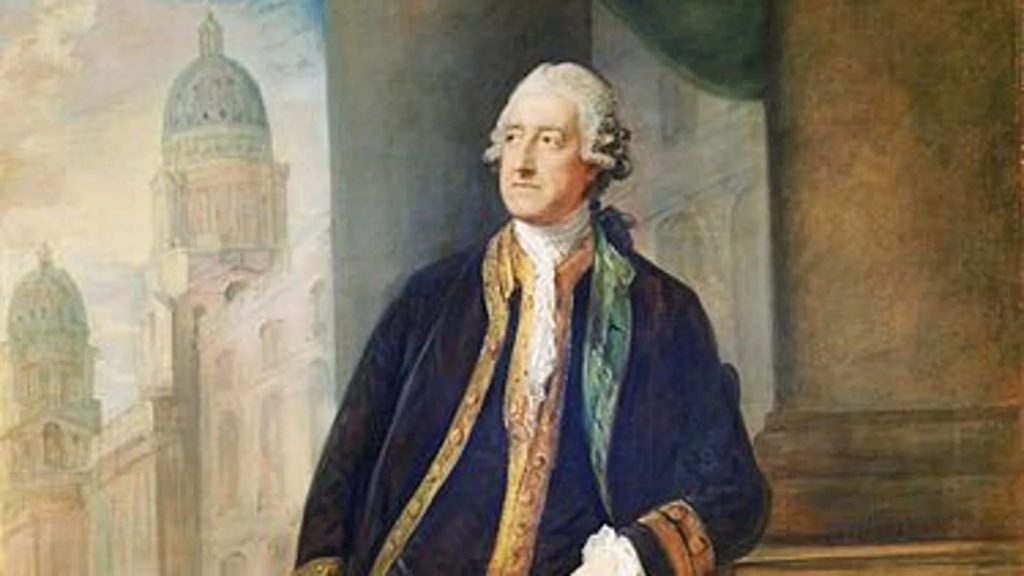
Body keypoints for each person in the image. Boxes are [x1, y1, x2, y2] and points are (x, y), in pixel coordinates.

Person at [294, 62, 768, 576]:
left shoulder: (663, 310)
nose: (520, 162)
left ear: (595, 161)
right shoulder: (430, 298)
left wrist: (632, 556)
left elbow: (731, 486)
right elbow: (348, 457)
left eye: (548, 140)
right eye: (513, 137)